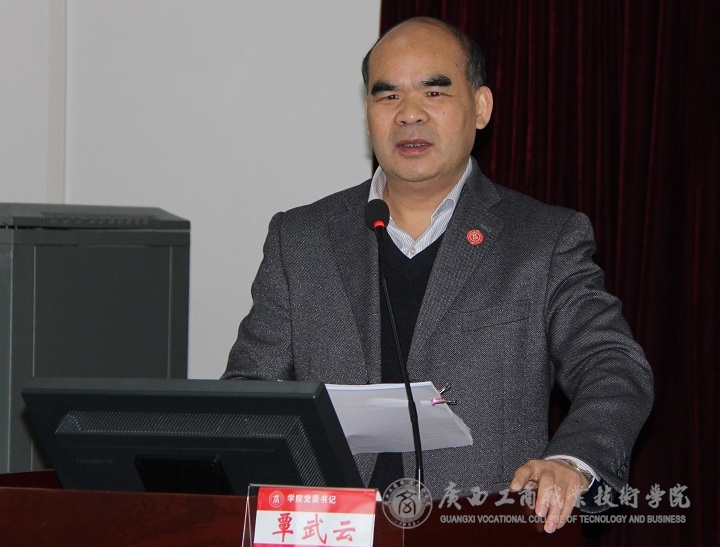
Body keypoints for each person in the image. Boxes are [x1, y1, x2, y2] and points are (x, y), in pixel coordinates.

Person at [223, 17, 653, 533]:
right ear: (368, 116)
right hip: (327, 530)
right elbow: (249, 392)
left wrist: (572, 462)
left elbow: (612, 366)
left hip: (481, 531)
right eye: (388, 96)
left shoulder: (543, 240)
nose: (409, 114)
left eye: (434, 92)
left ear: (481, 107)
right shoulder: (300, 238)